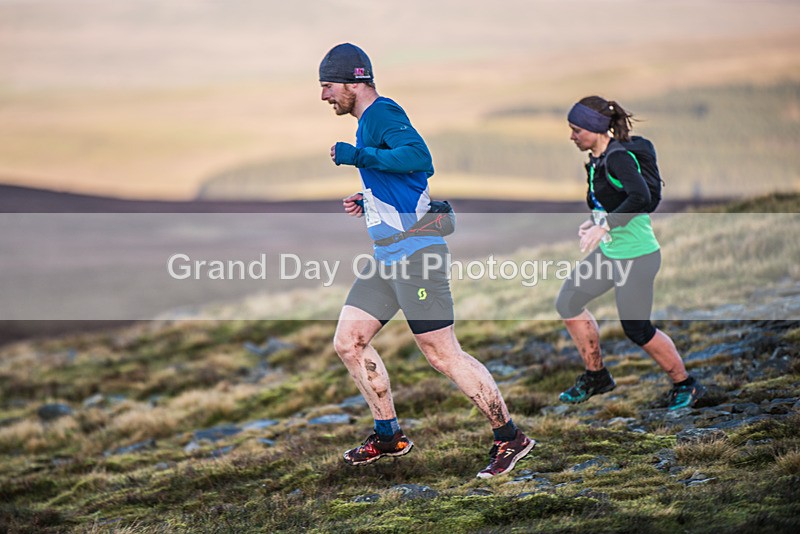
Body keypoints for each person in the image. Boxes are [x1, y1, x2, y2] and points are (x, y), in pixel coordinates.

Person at [319, 43, 534, 478]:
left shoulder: (382, 113)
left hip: (417, 257)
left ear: (353, 82)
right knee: (349, 342)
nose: (324, 96)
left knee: (442, 354)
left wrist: (357, 156)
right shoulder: (367, 121)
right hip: (387, 258)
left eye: (328, 86)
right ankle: (388, 436)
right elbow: (406, 178)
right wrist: (371, 197)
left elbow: (420, 159)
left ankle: (510, 437)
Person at [556, 95, 706, 411]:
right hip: (612, 254)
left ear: (596, 128)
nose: (572, 136)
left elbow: (640, 197)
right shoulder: (597, 159)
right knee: (568, 302)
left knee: (637, 329)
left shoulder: (618, 158)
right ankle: (596, 376)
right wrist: (594, 222)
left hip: (637, 257)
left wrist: (604, 227)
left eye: (576, 130)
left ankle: (686, 384)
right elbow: (613, 200)